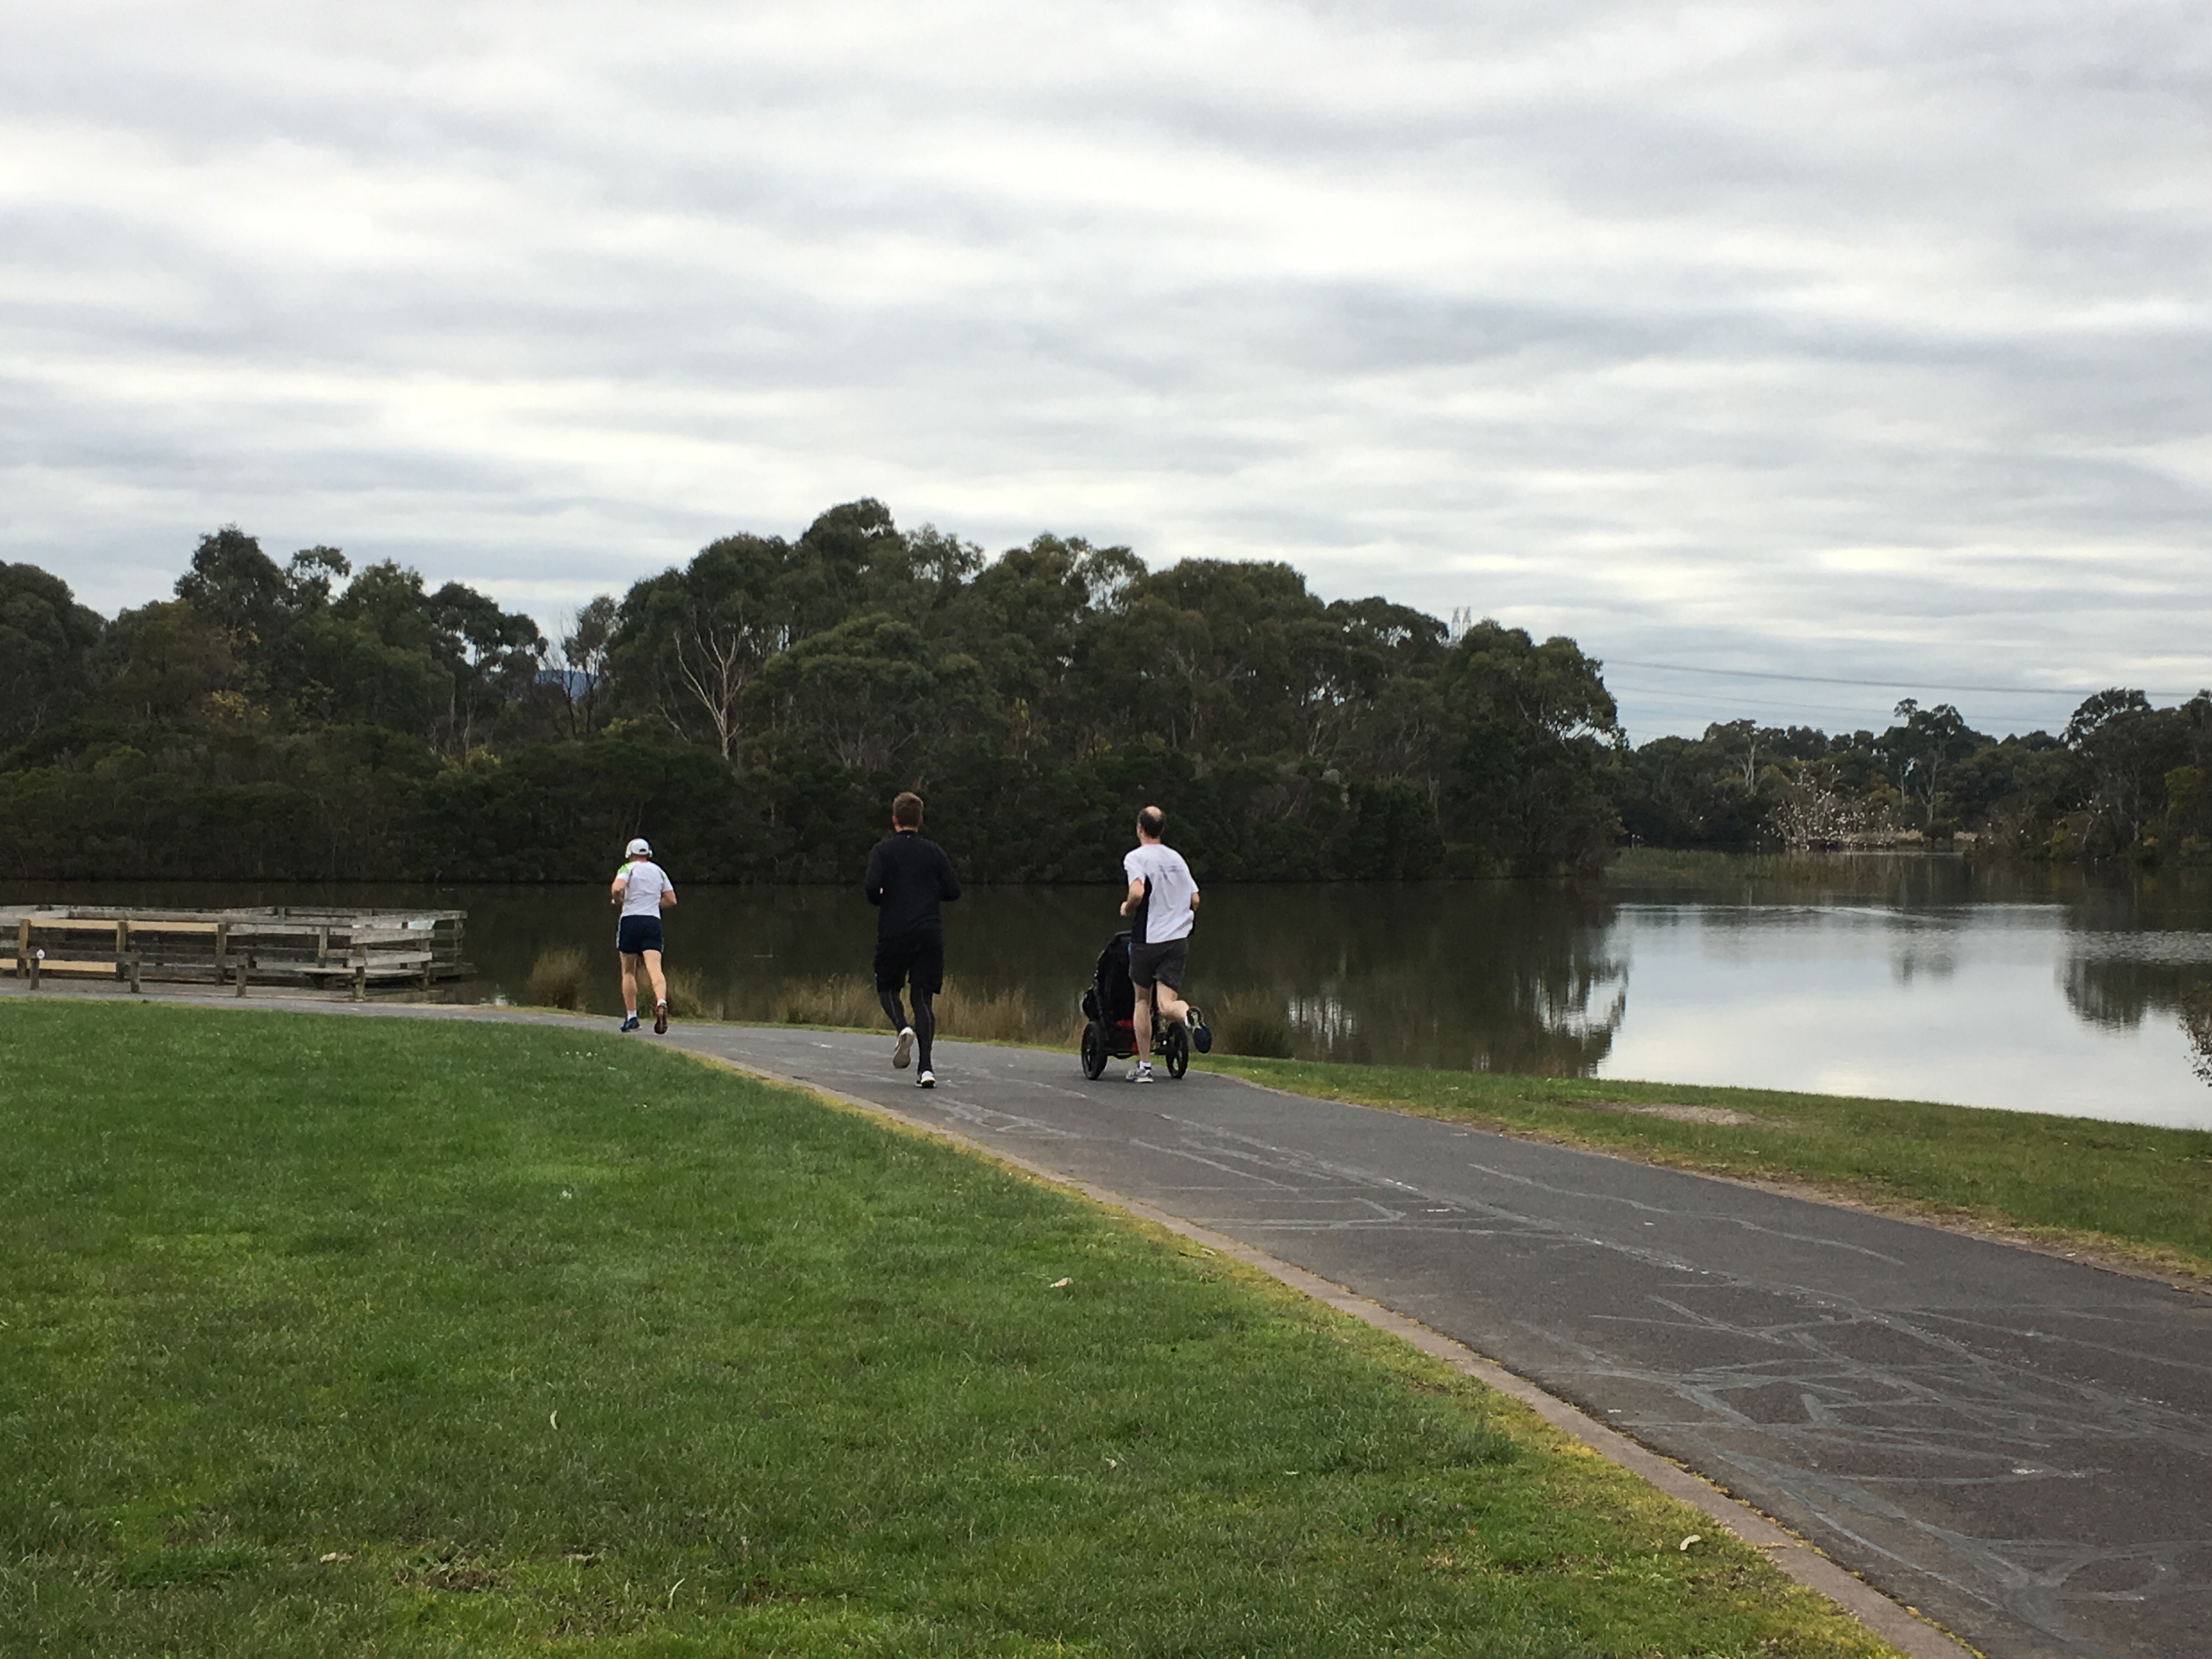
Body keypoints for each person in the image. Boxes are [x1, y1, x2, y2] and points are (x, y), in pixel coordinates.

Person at [864, 792, 961, 1088]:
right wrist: (929, 892)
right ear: (920, 820)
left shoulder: (882, 851)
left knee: (887, 987)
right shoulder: (934, 852)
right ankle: (926, 1068)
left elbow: (871, 889)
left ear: (894, 820)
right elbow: (953, 890)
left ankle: (903, 1028)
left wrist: (886, 896)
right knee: (922, 998)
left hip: (894, 931)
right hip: (928, 932)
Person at [1119, 804, 1211, 1082]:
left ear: (1140, 828)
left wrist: (1127, 907)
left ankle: (1145, 1067)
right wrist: (1182, 918)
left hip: (1148, 940)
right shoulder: (1176, 858)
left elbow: (1137, 891)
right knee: (1167, 1004)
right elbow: (1195, 899)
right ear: (1162, 830)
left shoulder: (1136, 858)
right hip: (1177, 941)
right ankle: (1188, 1017)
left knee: (1142, 1000)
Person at [610, 836, 676, 1033]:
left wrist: (618, 899)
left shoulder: (627, 868)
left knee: (628, 971)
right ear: (648, 854)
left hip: (631, 921)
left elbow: (617, 888)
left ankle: (632, 1018)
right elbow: (671, 900)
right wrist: (653, 903)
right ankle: (661, 1001)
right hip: (652, 922)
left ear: (630, 854)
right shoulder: (659, 871)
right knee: (655, 969)